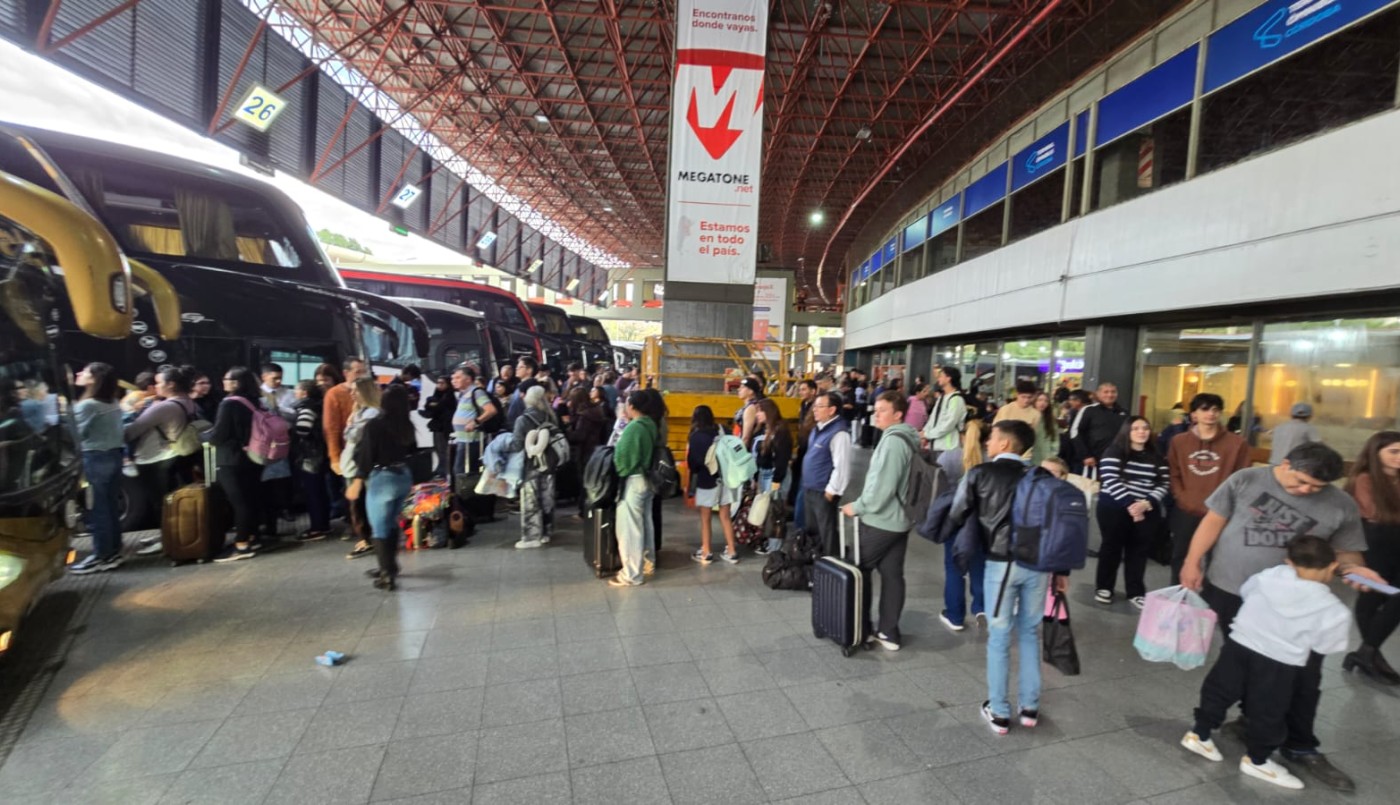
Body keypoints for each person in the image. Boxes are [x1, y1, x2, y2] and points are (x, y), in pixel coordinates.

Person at [1180, 442, 1384, 792]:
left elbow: (1348, 553)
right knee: (1243, 663)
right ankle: (1251, 722)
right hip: (1232, 590)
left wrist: (1360, 572)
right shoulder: (1247, 480)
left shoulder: (1341, 505)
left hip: (1301, 610)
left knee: (1303, 677)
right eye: (1301, 482)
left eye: (1316, 488)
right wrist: (1191, 560)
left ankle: (1300, 744)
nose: (1306, 491)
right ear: (1286, 463)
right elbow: (1214, 521)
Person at [1180, 537, 1352, 790]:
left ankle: (1200, 733)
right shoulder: (1332, 608)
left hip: (1240, 644)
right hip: (1281, 661)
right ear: (1333, 565)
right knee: (1268, 709)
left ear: (1289, 561)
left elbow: (1247, 593)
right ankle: (1258, 760)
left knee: (1220, 689)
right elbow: (1327, 646)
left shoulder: (1270, 575)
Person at [947, 420, 1061, 735]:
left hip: (1001, 564)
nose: (988, 443)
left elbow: (956, 513)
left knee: (999, 637)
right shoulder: (1043, 477)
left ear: (1006, 445)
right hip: (1038, 565)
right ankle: (1030, 707)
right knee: (1029, 632)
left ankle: (999, 711)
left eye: (993, 438)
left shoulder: (981, 474)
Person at [841, 391, 920, 651]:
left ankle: (859, 629)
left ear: (898, 414)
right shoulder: (905, 437)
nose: (876, 413)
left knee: (856, 570)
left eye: (883, 409)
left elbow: (883, 489)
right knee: (892, 574)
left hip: (881, 522)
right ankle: (889, 632)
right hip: (900, 520)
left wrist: (859, 506)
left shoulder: (893, 442)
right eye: (876, 408)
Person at [1167, 393, 1252, 584]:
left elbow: (1243, 477)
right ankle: (1179, 599)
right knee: (1181, 556)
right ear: (1194, 414)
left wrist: (1229, 506)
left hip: (1221, 513)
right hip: (1187, 509)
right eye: (1204, 409)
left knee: (1218, 559)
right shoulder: (1179, 441)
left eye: (1215, 410)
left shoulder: (1237, 444)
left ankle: (1209, 603)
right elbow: (1174, 473)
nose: (1211, 414)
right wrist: (1183, 498)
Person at [1093, 416, 1170, 608]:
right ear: (1127, 432)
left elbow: (1164, 482)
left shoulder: (1156, 454)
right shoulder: (1114, 451)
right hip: (1114, 507)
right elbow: (1111, 480)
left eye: (1145, 428)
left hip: (1146, 508)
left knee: (1138, 551)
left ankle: (1135, 591)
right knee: (1111, 548)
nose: (1141, 432)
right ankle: (1104, 587)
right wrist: (1131, 505)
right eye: (1136, 428)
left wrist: (1146, 503)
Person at [1343, 431, 1400, 684]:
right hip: (1376, 542)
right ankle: (1369, 654)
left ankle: (1366, 652)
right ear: (1376, 453)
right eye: (1394, 452)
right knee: (1373, 595)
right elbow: (1377, 514)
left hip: (1395, 541)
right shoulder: (1364, 479)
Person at [348, 384, 417, 590]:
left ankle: (386, 574)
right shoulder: (406, 424)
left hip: (382, 478)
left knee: (379, 526)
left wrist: (358, 481)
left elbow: (366, 455)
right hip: (403, 476)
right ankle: (390, 566)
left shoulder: (375, 425)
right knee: (392, 522)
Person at [124, 365, 199, 523]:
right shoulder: (187, 401)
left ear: (171, 384)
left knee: (161, 503)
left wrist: (131, 414)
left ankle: (167, 538)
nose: (156, 386)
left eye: (158, 383)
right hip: (175, 454)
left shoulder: (164, 407)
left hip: (156, 459)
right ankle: (174, 535)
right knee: (172, 500)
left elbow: (131, 432)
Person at [70, 363, 126, 574]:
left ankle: (102, 556)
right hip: (114, 455)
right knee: (110, 507)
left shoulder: (87, 406)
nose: (79, 373)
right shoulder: (112, 402)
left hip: (95, 457)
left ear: (94, 379)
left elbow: (76, 435)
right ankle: (113, 552)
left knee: (97, 509)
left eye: (84, 372)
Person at [207, 367, 266, 562]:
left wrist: (201, 436)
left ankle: (241, 545)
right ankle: (252, 536)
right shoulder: (254, 401)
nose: (223, 381)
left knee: (238, 502)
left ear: (236, 383)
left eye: (226, 378)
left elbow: (219, 435)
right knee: (251, 498)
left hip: (230, 459)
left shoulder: (229, 404)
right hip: (252, 456)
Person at [611, 388, 664, 586]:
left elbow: (622, 458)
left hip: (634, 480)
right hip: (649, 480)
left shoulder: (635, 427)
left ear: (632, 406)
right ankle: (648, 564)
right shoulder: (651, 424)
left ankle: (632, 574)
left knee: (630, 529)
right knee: (646, 523)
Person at [940, 420, 987, 631]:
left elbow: (937, 489)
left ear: (961, 436)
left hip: (955, 520)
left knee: (954, 567)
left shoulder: (948, 457)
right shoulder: (991, 459)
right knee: (980, 565)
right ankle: (981, 607)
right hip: (982, 522)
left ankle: (955, 616)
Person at [803, 391, 852, 559]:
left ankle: (831, 568)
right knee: (814, 533)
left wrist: (830, 493)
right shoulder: (818, 429)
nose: (814, 410)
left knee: (827, 534)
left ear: (832, 410)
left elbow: (842, 467)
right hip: (811, 489)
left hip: (823, 493)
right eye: (814, 406)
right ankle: (817, 567)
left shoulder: (839, 433)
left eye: (819, 406)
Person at [508, 386, 559, 549]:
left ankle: (532, 537)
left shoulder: (522, 420)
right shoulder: (550, 416)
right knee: (547, 499)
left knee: (531, 501)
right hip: (549, 464)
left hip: (530, 465)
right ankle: (546, 532)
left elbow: (516, 445)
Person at [688, 405, 740, 565]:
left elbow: (694, 464)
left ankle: (706, 551)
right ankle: (731, 551)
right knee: (725, 516)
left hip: (707, 480)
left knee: (706, 517)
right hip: (727, 479)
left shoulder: (696, 436)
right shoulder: (723, 430)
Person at [342, 377, 383, 560]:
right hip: (357, 464)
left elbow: (353, 435)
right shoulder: (362, 412)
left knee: (360, 505)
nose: (351, 394)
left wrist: (350, 426)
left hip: (362, 466)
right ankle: (368, 538)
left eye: (355, 390)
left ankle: (368, 540)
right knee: (359, 504)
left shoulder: (371, 413)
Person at [292, 380, 332, 542]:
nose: (295, 393)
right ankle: (324, 523)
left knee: (312, 493)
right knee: (320, 491)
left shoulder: (307, 408)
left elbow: (303, 429)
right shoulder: (319, 405)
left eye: (297, 390)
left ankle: (317, 527)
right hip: (320, 454)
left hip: (310, 456)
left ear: (304, 393)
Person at [565, 387, 609, 517]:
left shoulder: (584, 416)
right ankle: (590, 510)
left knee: (585, 483)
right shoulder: (596, 412)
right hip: (596, 451)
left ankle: (584, 512)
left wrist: (566, 433)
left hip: (585, 452)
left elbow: (579, 436)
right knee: (592, 482)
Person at [1073, 382, 1128, 469]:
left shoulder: (1124, 413)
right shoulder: (1088, 410)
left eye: (1113, 392)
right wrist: (1085, 455)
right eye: (1106, 392)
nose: (1110, 395)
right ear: (1098, 394)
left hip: (1119, 459)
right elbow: (1075, 433)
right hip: (1093, 461)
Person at [922, 366, 967, 458]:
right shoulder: (942, 398)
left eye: (941, 375)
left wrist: (927, 434)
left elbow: (949, 424)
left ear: (948, 378)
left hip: (947, 449)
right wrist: (924, 434)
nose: (938, 378)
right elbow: (932, 419)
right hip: (934, 447)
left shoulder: (956, 399)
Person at [420, 374, 456, 477]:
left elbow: (440, 407)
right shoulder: (436, 396)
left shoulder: (449, 397)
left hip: (445, 428)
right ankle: (441, 469)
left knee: (444, 449)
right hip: (437, 427)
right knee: (438, 449)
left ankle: (446, 471)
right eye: (438, 383)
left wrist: (435, 405)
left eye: (442, 383)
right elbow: (430, 406)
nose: (439, 385)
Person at [1059, 389, 1093, 473]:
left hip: (1081, 451)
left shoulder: (1086, 412)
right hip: (1073, 450)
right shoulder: (1073, 411)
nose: (1070, 402)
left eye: (1072, 399)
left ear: (1079, 401)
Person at [504, 356, 539, 428]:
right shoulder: (521, 386)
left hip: (525, 428)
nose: (516, 369)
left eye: (520, 367)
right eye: (517, 366)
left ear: (529, 370)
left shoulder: (531, 387)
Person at [734, 376, 764, 448]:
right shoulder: (750, 406)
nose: (739, 389)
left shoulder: (750, 408)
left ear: (751, 391)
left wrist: (739, 453)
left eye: (742, 387)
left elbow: (746, 437)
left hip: (748, 448)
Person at [1032, 391, 1059, 465]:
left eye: (1046, 401)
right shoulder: (1029, 417)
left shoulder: (1050, 420)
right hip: (1029, 457)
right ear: (1034, 401)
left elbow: (1055, 439)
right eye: (1040, 400)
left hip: (1046, 458)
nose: (1043, 403)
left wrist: (1052, 455)